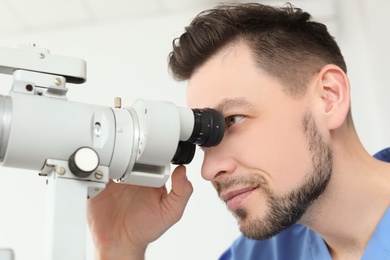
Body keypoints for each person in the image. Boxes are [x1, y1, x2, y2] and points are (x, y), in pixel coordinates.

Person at [87, 2, 390, 259]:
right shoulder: (262, 253)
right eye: (205, 139)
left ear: (329, 97)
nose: (208, 170)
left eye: (232, 119)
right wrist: (121, 247)